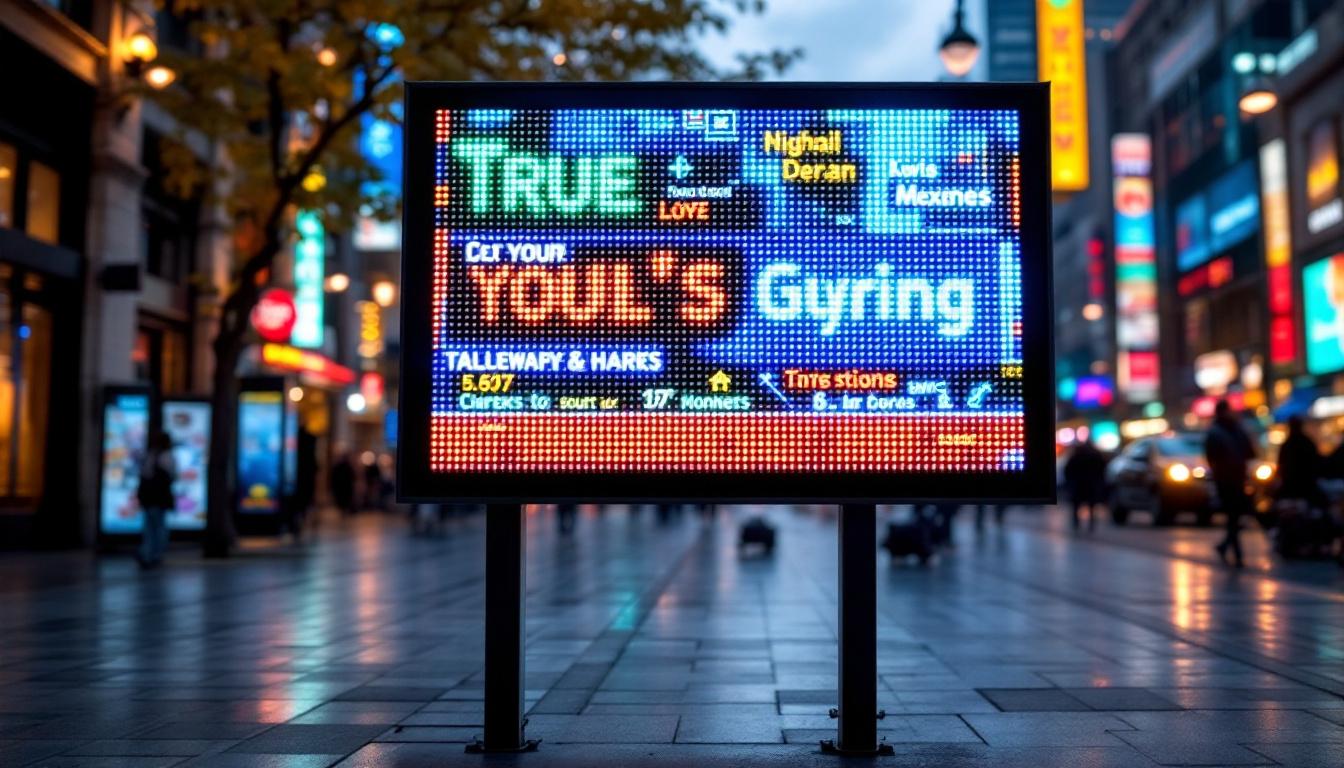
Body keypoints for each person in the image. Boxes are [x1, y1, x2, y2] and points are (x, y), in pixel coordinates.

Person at [1205, 400, 1257, 567]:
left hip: (1236, 479)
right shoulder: (1219, 432)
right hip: (1227, 480)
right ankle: (1236, 553)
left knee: (1236, 516)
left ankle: (1226, 546)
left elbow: (1250, 452)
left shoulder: (1233, 429)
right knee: (1234, 515)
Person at [135, 431, 177, 569]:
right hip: (159, 497)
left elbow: (144, 475)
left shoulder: (152, 455)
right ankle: (153, 553)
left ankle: (149, 553)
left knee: (151, 526)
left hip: (151, 497)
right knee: (157, 526)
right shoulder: (167, 456)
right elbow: (172, 476)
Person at [1274, 416, 1325, 511]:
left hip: (1300, 485)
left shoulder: (1288, 444)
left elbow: (1281, 465)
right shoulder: (1306, 442)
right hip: (1304, 485)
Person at [1063, 438, 1108, 531]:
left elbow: (1068, 470)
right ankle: (1090, 525)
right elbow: (1103, 469)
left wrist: (1069, 482)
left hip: (1079, 485)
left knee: (1077, 506)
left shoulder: (1077, 455)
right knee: (1091, 506)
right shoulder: (1096, 455)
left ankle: (1076, 524)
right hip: (1090, 485)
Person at [330, 451, 357, 517]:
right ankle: (344, 510)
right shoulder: (346, 466)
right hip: (344, 487)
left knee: (343, 500)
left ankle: (344, 510)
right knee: (343, 500)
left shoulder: (342, 466)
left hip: (342, 487)